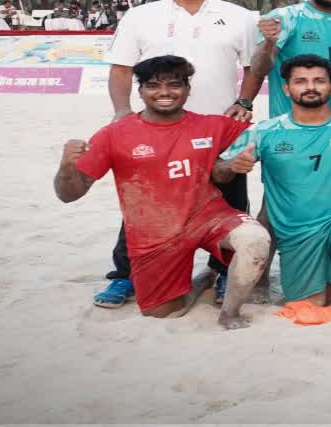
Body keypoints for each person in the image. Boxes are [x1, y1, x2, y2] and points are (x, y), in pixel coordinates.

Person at [99, 0, 261, 308]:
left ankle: (223, 274)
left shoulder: (238, 17)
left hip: (220, 130)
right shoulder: (140, 16)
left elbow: (254, 68)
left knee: (230, 202)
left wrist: (244, 102)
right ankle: (125, 275)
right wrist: (122, 112)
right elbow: (121, 68)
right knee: (145, 204)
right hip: (156, 130)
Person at [53, 56, 270, 329]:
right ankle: (201, 281)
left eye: (174, 85)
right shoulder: (114, 134)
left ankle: (230, 313)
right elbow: (69, 194)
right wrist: (66, 167)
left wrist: (231, 162)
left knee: (255, 239)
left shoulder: (214, 125)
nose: (165, 92)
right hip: (154, 235)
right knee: (163, 314)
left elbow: (271, 135)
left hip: (209, 218)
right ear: (140, 91)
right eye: (154, 86)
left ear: (188, 89)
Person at [215, 55, 331, 324]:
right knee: (309, 305)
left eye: (319, 81)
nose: (310, 87)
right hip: (298, 230)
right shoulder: (265, 131)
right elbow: (218, 171)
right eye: (301, 81)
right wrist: (232, 166)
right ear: (287, 89)